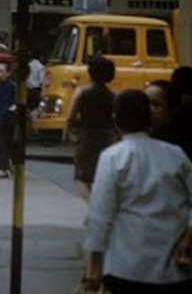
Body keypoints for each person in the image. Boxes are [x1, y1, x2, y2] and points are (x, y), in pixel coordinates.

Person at [82, 89, 192, 293]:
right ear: (149, 118)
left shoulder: (113, 157)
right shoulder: (176, 155)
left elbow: (100, 215)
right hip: (173, 271)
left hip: (127, 268)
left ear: (115, 118)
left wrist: (94, 268)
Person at [66, 55, 119, 201]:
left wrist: (69, 135)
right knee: (102, 177)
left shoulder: (82, 92)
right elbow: (117, 120)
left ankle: (93, 207)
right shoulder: (114, 95)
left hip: (87, 138)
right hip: (109, 138)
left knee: (82, 178)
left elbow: (70, 117)